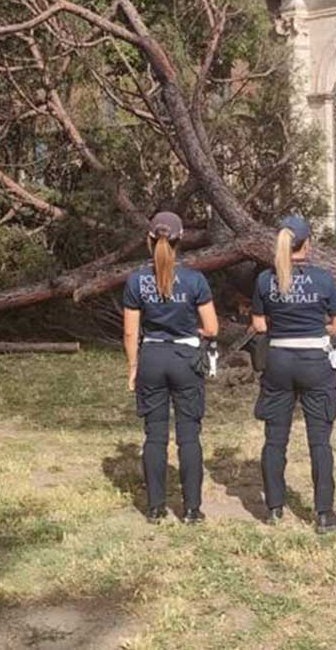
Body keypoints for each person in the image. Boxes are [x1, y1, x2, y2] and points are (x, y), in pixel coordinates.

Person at [251, 216, 336, 533]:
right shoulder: (322, 279)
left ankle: (274, 509)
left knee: (274, 439)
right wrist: (319, 328)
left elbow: (259, 325)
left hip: (278, 361)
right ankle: (324, 514)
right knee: (319, 441)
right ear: (307, 244)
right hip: (314, 363)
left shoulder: (265, 280)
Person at [122, 212, 218, 524]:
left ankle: (155, 508)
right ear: (181, 240)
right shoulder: (195, 280)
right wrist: (194, 333)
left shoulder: (136, 281)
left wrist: (133, 367)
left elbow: (130, 333)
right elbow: (212, 328)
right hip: (186, 360)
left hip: (151, 358)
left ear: (150, 239)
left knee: (155, 436)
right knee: (189, 436)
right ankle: (192, 510)